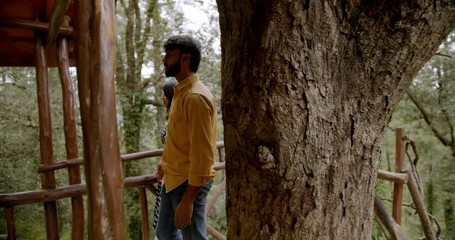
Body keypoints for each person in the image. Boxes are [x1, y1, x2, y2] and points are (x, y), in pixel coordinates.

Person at [156, 35, 217, 240]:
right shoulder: (179, 92)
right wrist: (164, 162)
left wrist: (189, 199)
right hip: (172, 176)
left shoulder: (195, 98)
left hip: (188, 182)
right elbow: (178, 137)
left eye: (170, 55)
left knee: (194, 237)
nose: (164, 60)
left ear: (185, 59)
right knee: (164, 233)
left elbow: (203, 154)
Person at [153, 78, 178, 234]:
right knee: (165, 230)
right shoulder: (172, 116)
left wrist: (163, 163)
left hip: (174, 176)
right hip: (169, 175)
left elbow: (173, 147)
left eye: (164, 94)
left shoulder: (177, 118)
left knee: (168, 230)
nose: (162, 97)